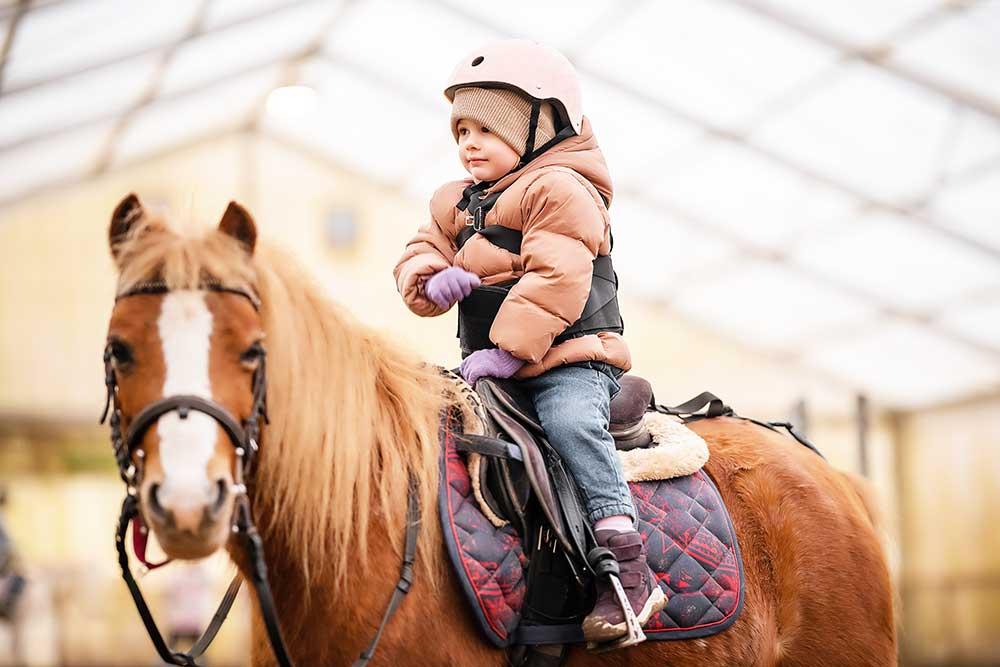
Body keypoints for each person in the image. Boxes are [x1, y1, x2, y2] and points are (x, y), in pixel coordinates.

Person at [393, 39, 665, 642]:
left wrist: (510, 351)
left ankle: (627, 566)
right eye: (461, 130)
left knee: (569, 424)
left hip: (568, 362)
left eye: (486, 129)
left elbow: (558, 279)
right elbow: (420, 251)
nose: (468, 143)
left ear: (539, 128)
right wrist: (430, 280)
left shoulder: (561, 189)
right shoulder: (455, 201)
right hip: (490, 367)